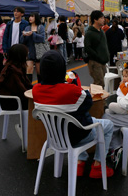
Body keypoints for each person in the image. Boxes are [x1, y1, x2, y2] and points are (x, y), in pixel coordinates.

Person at [33, 50, 114, 178]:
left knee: (76, 121)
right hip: (77, 137)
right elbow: (87, 102)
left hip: (55, 137)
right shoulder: (71, 91)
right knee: (108, 125)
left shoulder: (36, 90)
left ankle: (80, 162)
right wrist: (74, 85)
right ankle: (98, 165)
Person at [0, 44, 32, 111]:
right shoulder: (11, 70)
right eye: (26, 54)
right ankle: (28, 121)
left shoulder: (15, 67)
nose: (27, 56)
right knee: (37, 104)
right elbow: (21, 89)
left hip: (12, 97)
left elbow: (27, 85)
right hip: (10, 101)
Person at [84, 10, 110, 86]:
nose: (103, 20)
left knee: (101, 83)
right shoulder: (90, 33)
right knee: (99, 83)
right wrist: (98, 56)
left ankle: (98, 97)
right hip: (95, 62)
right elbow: (87, 48)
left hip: (103, 62)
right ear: (95, 19)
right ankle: (95, 97)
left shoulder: (101, 31)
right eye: (101, 18)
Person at [21, 12, 47, 80]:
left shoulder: (40, 27)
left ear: (36, 18)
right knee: (29, 70)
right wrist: (23, 36)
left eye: (32, 16)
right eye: (29, 16)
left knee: (39, 72)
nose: (30, 18)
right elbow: (22, 41)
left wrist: (33, 34)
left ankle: (40, 88)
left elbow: (42, 38)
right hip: (30, 50)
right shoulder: (27, 27)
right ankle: (29, 88)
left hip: (39, 51)